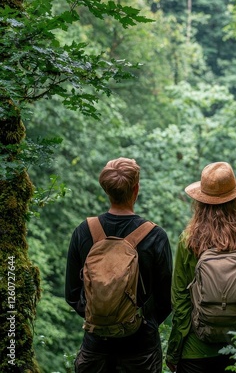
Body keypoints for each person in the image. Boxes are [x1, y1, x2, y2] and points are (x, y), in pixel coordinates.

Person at [65, 157, 173, 372]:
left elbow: (71, 293)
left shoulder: (84, 231)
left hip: (96, 346)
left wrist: (101, 318)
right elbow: (165, 301)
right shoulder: (155, 236)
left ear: (106, 190)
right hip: (141, 348)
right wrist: (140, 323)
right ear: (136, 188)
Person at [166, 161, 236, 373]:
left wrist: (175, 349)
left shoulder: (188, 241)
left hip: (195, 352)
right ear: (235, 199)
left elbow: (180, 302)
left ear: (200, 202)